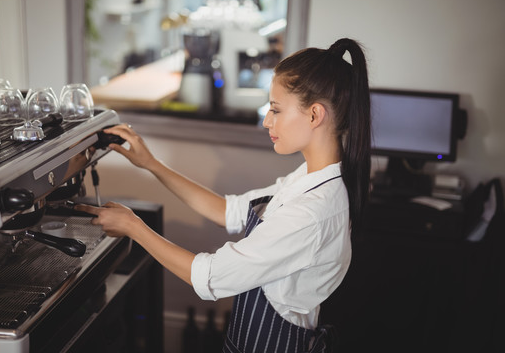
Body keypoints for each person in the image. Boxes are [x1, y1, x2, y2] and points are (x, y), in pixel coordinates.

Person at [76, 37, 371, 353]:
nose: (267, 121)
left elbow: (209, 275)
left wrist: (134, 226)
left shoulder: (312, 212)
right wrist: (152, 164)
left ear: (314, 115)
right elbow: (226, 210)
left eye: (275, 109)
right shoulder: (310, 179)